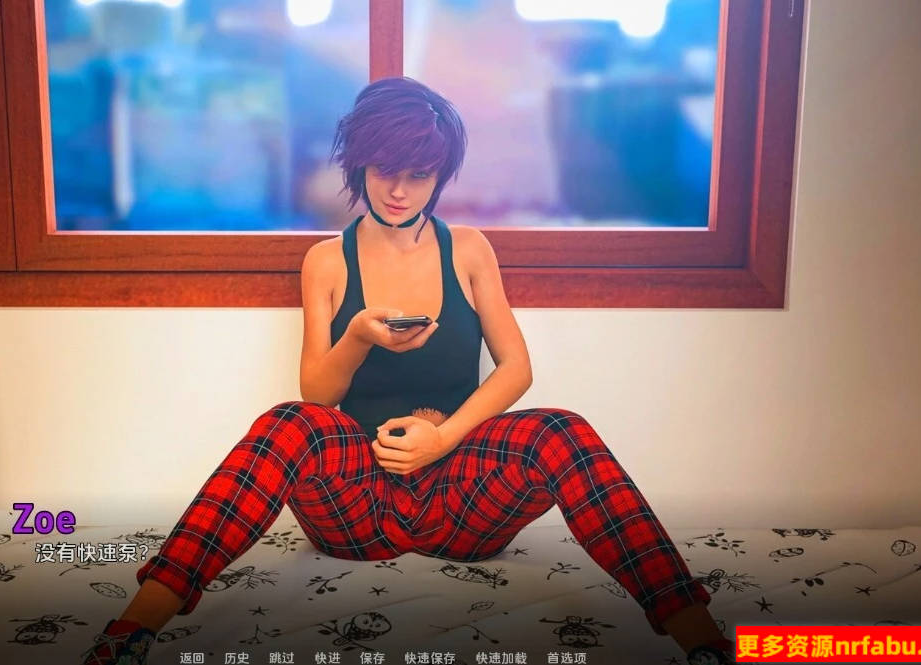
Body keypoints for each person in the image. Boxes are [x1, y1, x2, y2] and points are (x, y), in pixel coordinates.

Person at [82, 76, 738, 665]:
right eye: (385, 170)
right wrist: (358, 336)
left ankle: (700, 638)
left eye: (419, 174)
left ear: (440, 175)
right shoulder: (327, 260)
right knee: (287, 424)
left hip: (461, 501)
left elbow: (516, 369)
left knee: (561, 431)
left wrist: (444, 437)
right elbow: (317, 393)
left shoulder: (469, 250)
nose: (399, 191)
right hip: (357, 505)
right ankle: (130, 632)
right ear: (358, 164)